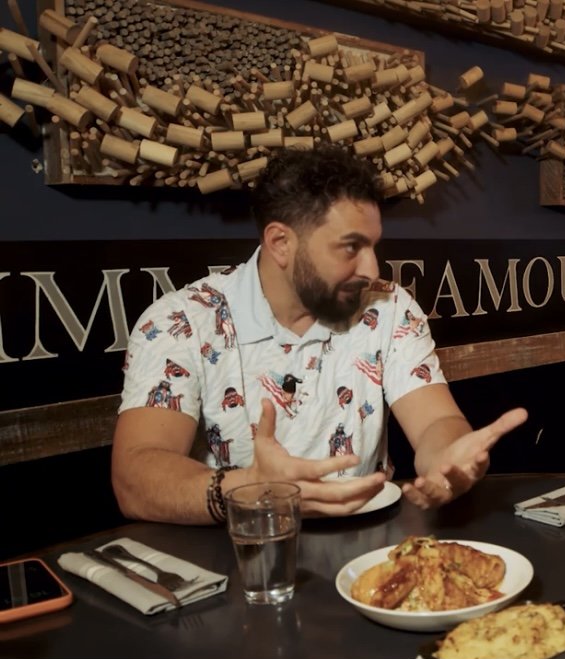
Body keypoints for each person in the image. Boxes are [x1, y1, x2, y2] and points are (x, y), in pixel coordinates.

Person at [112, 146, 528, 524]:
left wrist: (447, 460)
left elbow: (436, 421)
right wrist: (253, 489)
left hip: (370, 551)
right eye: (351, 247)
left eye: (373, 246)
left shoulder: (389, 307)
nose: (372, 269)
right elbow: (135, 477)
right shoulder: (181, 320)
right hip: (245, 557)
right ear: (280, 243)